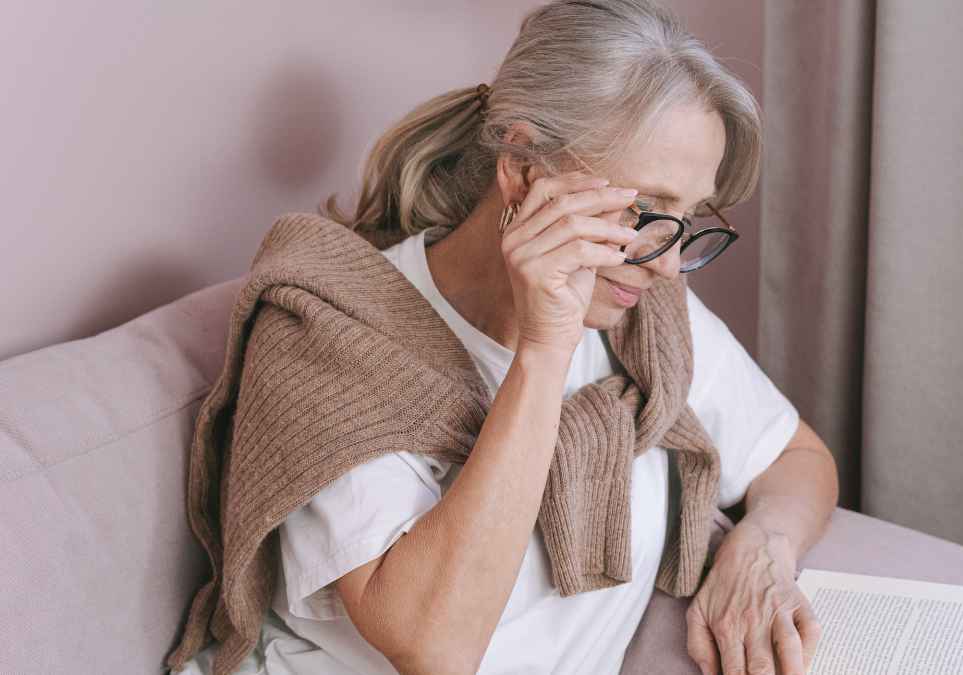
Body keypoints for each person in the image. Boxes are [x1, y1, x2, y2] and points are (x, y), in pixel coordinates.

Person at [172, 1, 837, 673]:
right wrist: (544, 352)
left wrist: (764, 545)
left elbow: (800, 457)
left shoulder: (645, 312)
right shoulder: (332, 335)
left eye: (687, 216)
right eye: (644, 210)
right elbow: (437, 645)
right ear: (523, 170)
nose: (667, 261)